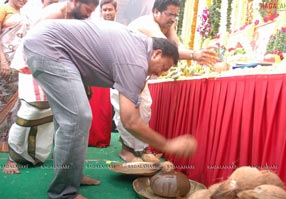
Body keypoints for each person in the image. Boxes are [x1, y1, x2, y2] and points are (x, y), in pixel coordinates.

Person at [23, 19, 197, 199]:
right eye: (163, 68)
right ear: (157, 54)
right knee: (77, 118)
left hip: (50, 44)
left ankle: (70, 176)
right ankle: (63, 193)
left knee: (68, 119)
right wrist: (168, 145)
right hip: (48, 47)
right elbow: (130, 121)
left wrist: (83, 79)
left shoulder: (139, 46)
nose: (158, 74)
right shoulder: (137, 62)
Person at [114, 0, 220, 162]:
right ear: (156, 11)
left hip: (140, 71)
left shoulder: (167, 25)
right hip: (121, 69)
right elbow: (167, 50)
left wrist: (196, 54)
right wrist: (193, 55)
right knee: (127, 111)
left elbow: (176, 46)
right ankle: (126, 150)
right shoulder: (147, 23)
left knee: (145, 108)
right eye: (169, 14)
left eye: (176, 15)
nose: (173, 19)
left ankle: (141, 149)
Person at [3, 0, 99, 176]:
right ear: (75, 2)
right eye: (87, 9)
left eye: (92, 12)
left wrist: (86, 82)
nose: (89, 15)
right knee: (30, 111)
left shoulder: (79, 18)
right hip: (33, 63)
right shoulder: (53, 13)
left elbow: (78, 51)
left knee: (61, 115)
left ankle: (64, 165)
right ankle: (12, 158)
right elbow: (31, 45)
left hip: (60, 66)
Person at [0, 0, 30, 152]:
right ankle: (2, 140)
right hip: (4, 64)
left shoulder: (24, 15)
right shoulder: (3, 8)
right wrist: (3, 61)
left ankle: (12, 139)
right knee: (3, 100)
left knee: (17, 102)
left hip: (19, 66)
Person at [87, 0, 117, 148]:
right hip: (93, 69)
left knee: (103, 107)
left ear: (115, 11)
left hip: (108, 71)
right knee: (92, 103)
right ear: (100, 12)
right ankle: (89, 138)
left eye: (110, 10)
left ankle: (100, 138)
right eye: (104, 10)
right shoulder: (95, 27)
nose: (107, 13)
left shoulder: (120, 29)